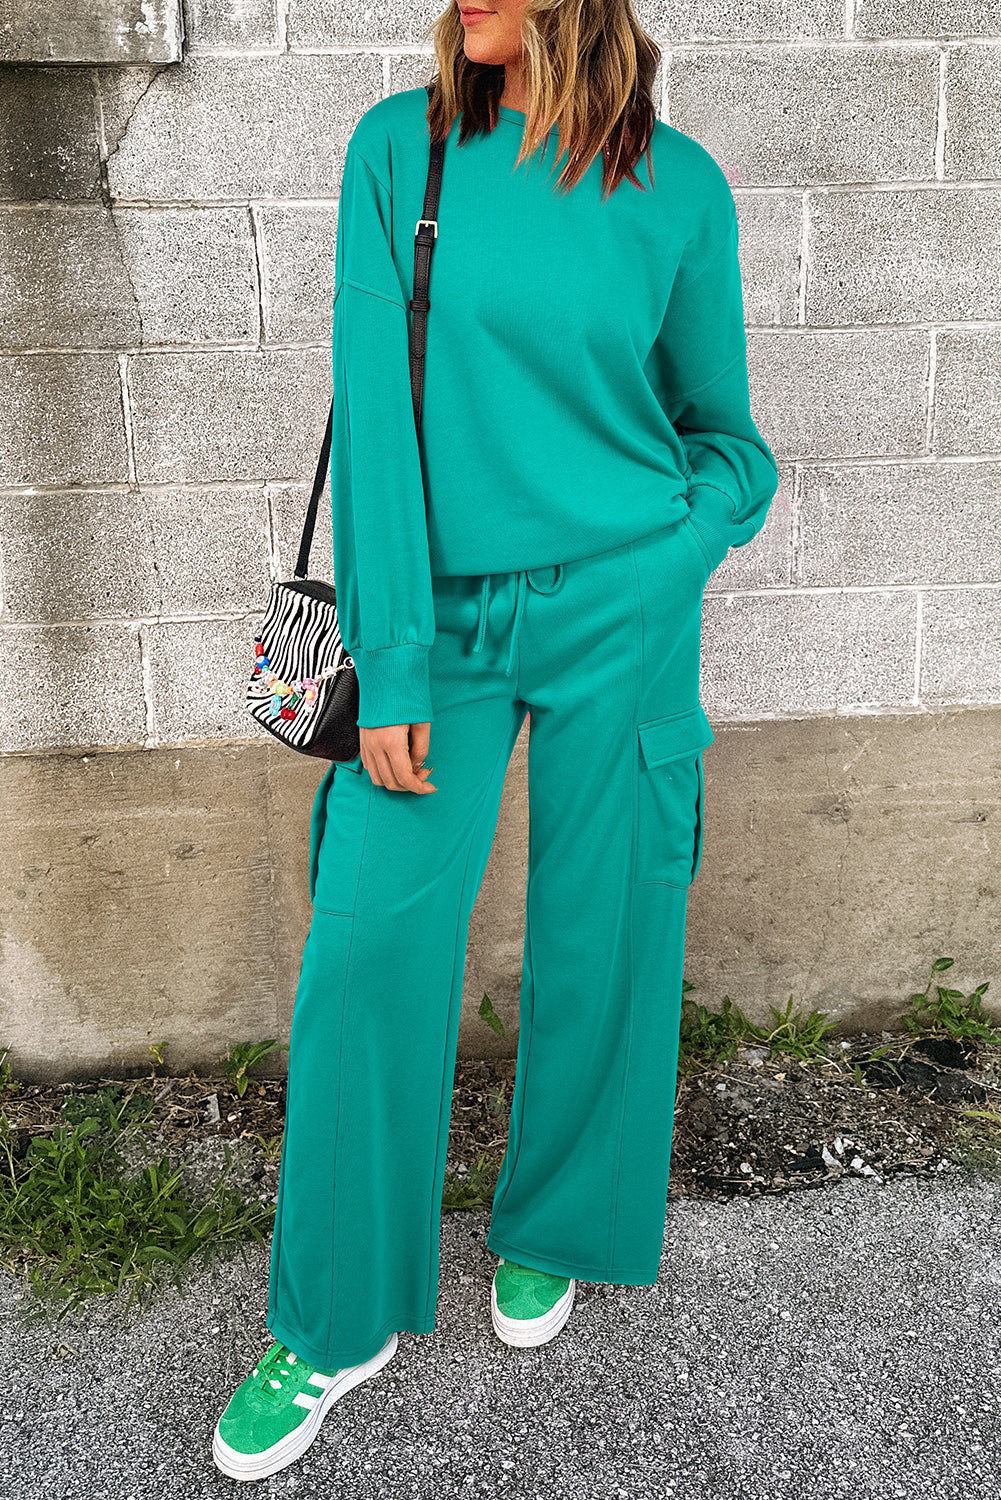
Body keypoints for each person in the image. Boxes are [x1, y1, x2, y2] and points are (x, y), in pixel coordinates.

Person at [213, 0, 777, 1480]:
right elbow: (375, 417)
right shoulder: (400, 152)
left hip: (620, 608)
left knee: (609, 921)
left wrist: (669, 557)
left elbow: (727, 439)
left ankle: (559, 1224)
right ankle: (333, 1318)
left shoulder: (679, 187)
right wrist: (394, 656)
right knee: (368, 947)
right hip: (436, 630)